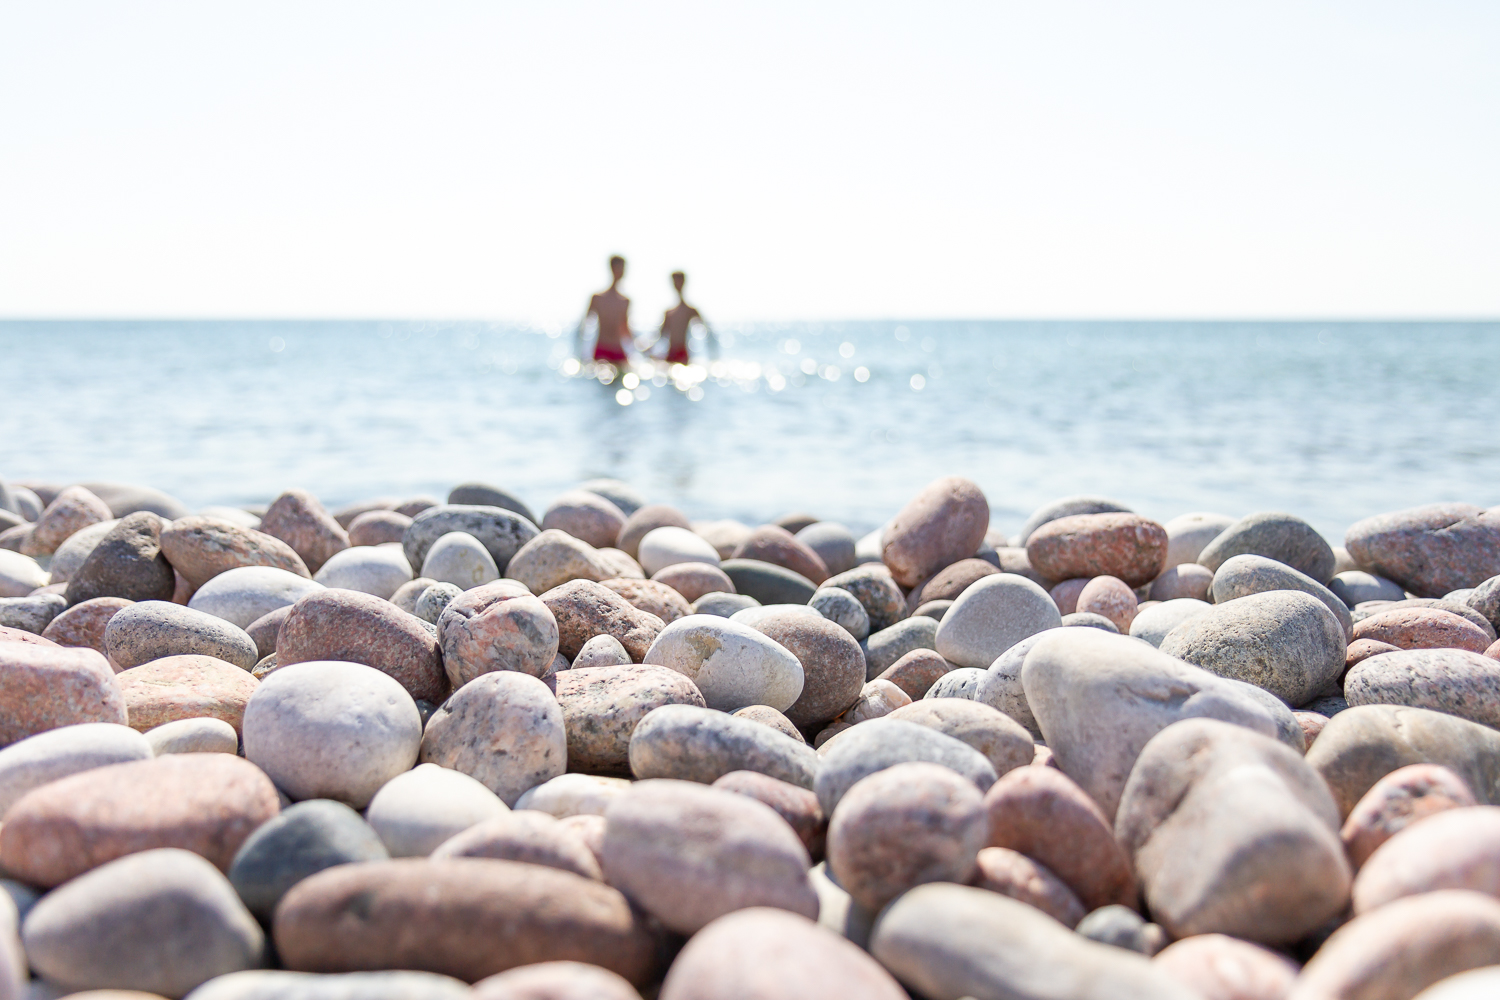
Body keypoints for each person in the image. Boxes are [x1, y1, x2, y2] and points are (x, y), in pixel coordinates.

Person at [576, 256, 632, 366]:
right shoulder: (597, 298)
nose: (622, 271)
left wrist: (637, 348)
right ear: (612, 268)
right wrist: (581, 352)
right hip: (601, 349)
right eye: (620, 267)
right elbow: (584, 326)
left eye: (623, 268)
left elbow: (625, 329)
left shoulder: (625, 301)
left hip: (618, 350)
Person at [658, 270, 718, 365]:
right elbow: (660, 336)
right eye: (675, 281)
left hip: (683, 352)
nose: (677, 284)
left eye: (679, 281)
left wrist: (712, 354)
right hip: (670, 353)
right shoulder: (668, 313)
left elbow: (708, 331)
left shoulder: (690, 310)